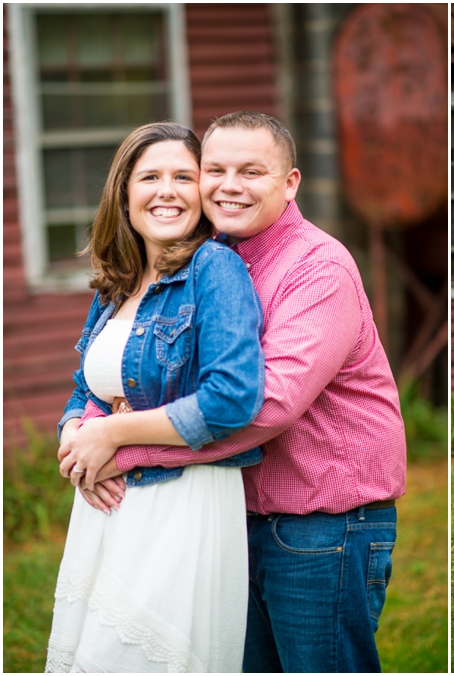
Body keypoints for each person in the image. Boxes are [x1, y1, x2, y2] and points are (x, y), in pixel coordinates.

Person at [67, 111, 408, 673]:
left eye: (251, 171)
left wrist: (119, 450)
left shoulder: (317, 267)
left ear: (290, 182)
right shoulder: (195, 260)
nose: (229, 186)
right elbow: (128, 372)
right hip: (225, 515)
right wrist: (79, 428)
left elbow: (267, 405)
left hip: (320, 525)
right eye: (215, 169)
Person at [48, 122, 266, 672]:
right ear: (124, 193)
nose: (166, 191)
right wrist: (74, 438)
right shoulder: (117, 283)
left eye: (183, 177)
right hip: (105, 508)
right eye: (150, 177)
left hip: (180, 503)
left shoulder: (215, 269)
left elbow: (231, 399)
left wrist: (112, 434)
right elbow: (85, 388)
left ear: (202, 192)